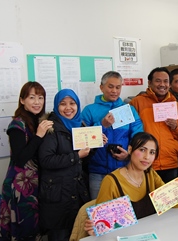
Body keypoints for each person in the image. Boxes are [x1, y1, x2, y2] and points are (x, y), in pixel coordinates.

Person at [81, 132, 178, 237]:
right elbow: (101, 225)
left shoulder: (150, 174)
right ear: (130, 150)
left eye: (152, 152)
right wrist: (94, 228)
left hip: (152, 233)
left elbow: (171, 203)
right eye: (142, 150)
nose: (147, 157)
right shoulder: (111, 181)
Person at [38, 89, 102, 241]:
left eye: (72, 103)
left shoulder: (80, 125)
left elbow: (83, 160)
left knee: (79, 233)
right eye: (63, 104)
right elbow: (46, 160)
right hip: (57, 194)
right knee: (60, 234)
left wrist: (93, 147)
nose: (68, 108)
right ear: (56, 106)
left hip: (76, 190)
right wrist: (76, 156)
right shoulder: (50, 128)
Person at [0, 82, 53, 241]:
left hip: (37, 184)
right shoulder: (17, 124)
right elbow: (20, 158)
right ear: (22, 100)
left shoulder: (39, 121)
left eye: (40, 97)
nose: (37, 102)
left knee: (35, 229)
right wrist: (39, 135)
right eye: (32, 97)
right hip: (21, 187)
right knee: (23, 229)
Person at [81, 71, 143, 199]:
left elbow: (139, 136)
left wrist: (129, 154)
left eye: (118, 87)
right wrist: (102, 125)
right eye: (110, 86)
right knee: (99, 212)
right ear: (101, 87)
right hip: (98, 172)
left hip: (124, 169)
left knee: (125, 212)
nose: (114, 90)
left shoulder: (129, 110)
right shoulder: (89, 110)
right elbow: (82, 139)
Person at [129, 67, 178, 183]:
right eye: (158, 81)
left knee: (168, 198)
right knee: (146, 198)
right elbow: (127, 128)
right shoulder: (137, 102)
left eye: (166, 81)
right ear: (150, 83)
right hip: (145, 161)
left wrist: (176, 126)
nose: (162, 84)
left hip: (170, 161)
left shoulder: (175, 105)